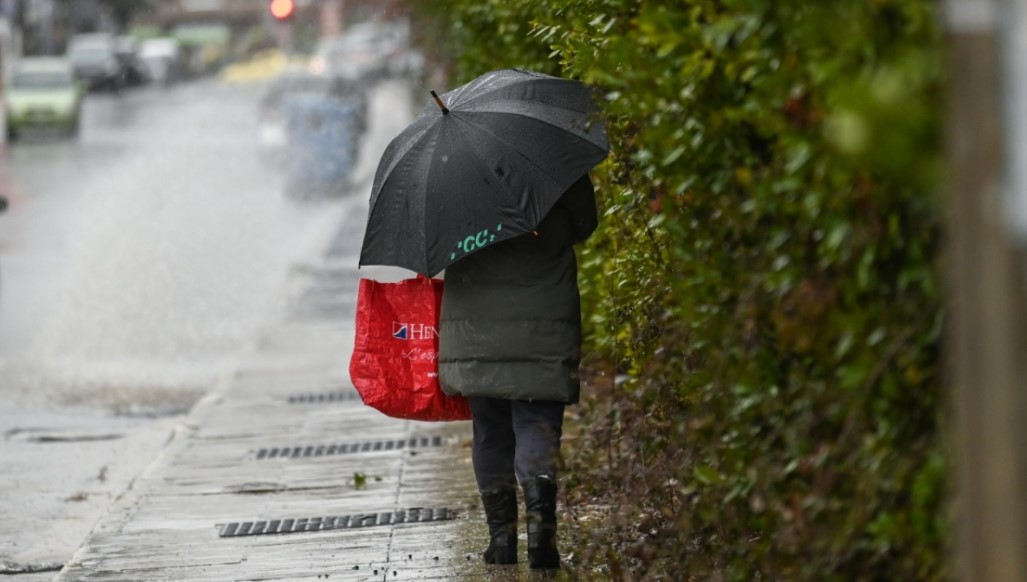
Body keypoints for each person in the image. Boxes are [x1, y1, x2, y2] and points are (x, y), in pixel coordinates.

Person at [438, 174, 598, 569]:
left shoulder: (449, 179)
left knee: (490, 430)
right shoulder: (554, 163)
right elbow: (585, 225)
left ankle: (502, 542)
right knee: (537, 423)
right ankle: (542, 534)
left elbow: (435, 247)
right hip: (543, 321)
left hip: (475, 329)